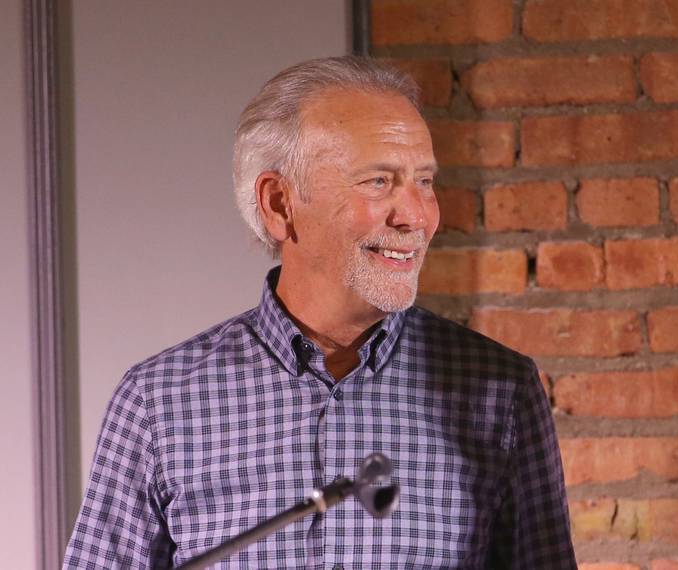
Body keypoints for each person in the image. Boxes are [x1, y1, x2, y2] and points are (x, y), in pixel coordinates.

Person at [63, 56, 576, 569]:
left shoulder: (500, 392)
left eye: (424, 181)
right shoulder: (157, 402)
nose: (416, 216)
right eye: (378, 181)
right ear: (279, 203)